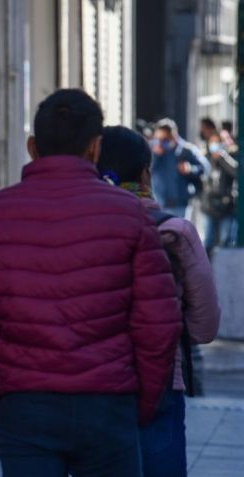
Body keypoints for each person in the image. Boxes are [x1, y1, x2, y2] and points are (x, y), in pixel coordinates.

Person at [0, 89, 182, 477]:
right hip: (108, 401)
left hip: (23, 404)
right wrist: (142, 402)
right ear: (95, 147)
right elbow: (158, 324)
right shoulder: (129, 215)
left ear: (33, 146)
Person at [97, 125, 221, 477]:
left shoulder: (75, 228)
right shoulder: (175, 231)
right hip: (162, 377)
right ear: (146, 173)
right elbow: (206, 324)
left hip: (91, 382)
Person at [150, 118, 208, 218]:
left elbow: (204, 167)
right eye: (158, 139)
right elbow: (148, 170)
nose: (161, 142)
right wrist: (155, 155)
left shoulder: (186, 150)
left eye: (165, 139)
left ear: (173, 136)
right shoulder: (153, 150)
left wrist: (190, 169)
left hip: (179, 204)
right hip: (159, 203)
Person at [197, 119, 238, 254]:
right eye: (212, 143)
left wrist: (223, 158)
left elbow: (236, 172)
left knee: (225, 241)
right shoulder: (205, 158)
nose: (215, 146)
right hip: (208, 205)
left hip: (225, 205)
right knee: (208, 241)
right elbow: (199, 174)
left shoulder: (228, 158)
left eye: (217, 143)